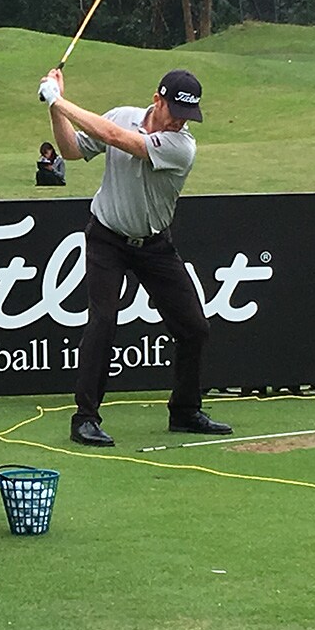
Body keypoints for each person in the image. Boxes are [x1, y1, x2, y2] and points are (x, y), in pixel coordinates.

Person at [37, 67, 232, 447]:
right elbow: (71, 151)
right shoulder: (121, 115)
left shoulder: (181, 147)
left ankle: (185, 411)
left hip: (155, 245)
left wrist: (59, 99)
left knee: (194, 326)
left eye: (187, 116)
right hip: (107, 237)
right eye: (174, 111)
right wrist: (54, 109)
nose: (178, 121)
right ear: (157, 99)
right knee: (103, 321)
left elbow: (114, 138)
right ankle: (85, 418)